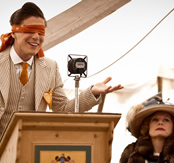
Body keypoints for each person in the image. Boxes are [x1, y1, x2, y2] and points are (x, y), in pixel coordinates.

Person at [0, 2, 123, 137]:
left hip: (31, 148)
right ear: (14, 33)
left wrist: (92, 92)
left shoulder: (50, 68)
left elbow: (63, 109)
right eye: (30, 30)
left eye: (41, 32)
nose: (36, 37)